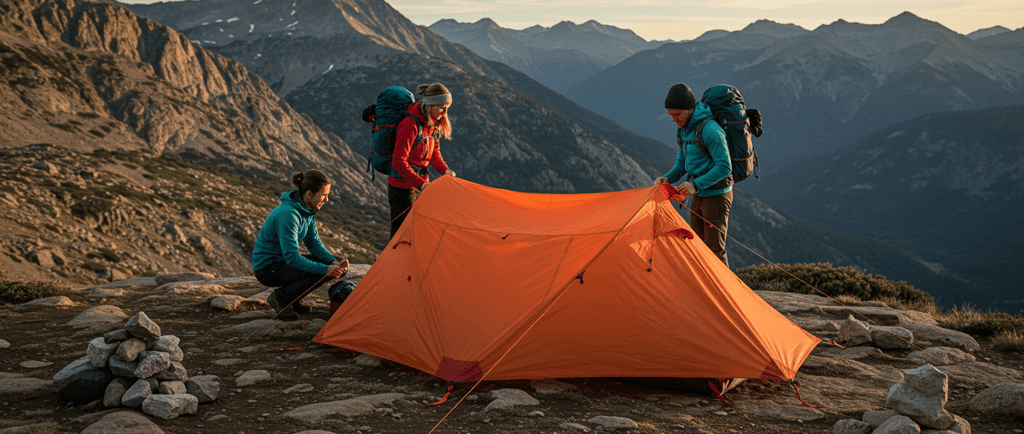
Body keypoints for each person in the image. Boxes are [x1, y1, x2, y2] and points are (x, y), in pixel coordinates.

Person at [655, 83, 734, 267]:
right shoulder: (685, 129)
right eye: (670, 115)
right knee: (698, 248)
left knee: (715, 251)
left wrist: (695, 185)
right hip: (697, 194)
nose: (674, 119)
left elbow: (725, 167)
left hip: (716, 196)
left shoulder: (710, 130)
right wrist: (667, 178)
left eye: (677, 114)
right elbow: (682, 164)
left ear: (690, 109)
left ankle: (723, 286)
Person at [252, 169, 349, 318]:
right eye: (324, 195)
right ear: (310, 194)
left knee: (323, 264)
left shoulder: (307, 210)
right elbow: (292, 258)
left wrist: (333, 262)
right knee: (320, 270)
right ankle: (280, 299)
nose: (327, 200)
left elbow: (313, 243)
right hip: (267, 268)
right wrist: (325, 269)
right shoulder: (289, 214)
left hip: (281, 262)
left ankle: (293, 299)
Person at [388, 83, 456, 239]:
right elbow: (398, 161)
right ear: (430, 105)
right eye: (441, 107)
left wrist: (445, 170)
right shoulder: (410, 125)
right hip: (401, 187)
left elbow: (434, 153)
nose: (444, 112)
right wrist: (421, 184)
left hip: (420, 183)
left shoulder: (433, 124)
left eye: (447, 108)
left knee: (418, 228)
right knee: (402, 232)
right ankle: (394, 256)